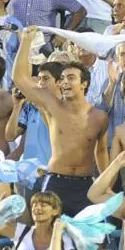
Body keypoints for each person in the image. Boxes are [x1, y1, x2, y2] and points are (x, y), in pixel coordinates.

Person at [13, 27, 108, 216]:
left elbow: (101, 152)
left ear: (84, 84)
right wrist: (25, 42)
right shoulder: (52, 106)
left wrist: (105, 184)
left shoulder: (99, 117)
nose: (64, 82)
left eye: (71, 78)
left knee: (83, 242)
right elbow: (20, 78)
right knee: (51, 237)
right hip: (55, 182)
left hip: (85, 184)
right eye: (62, 78)